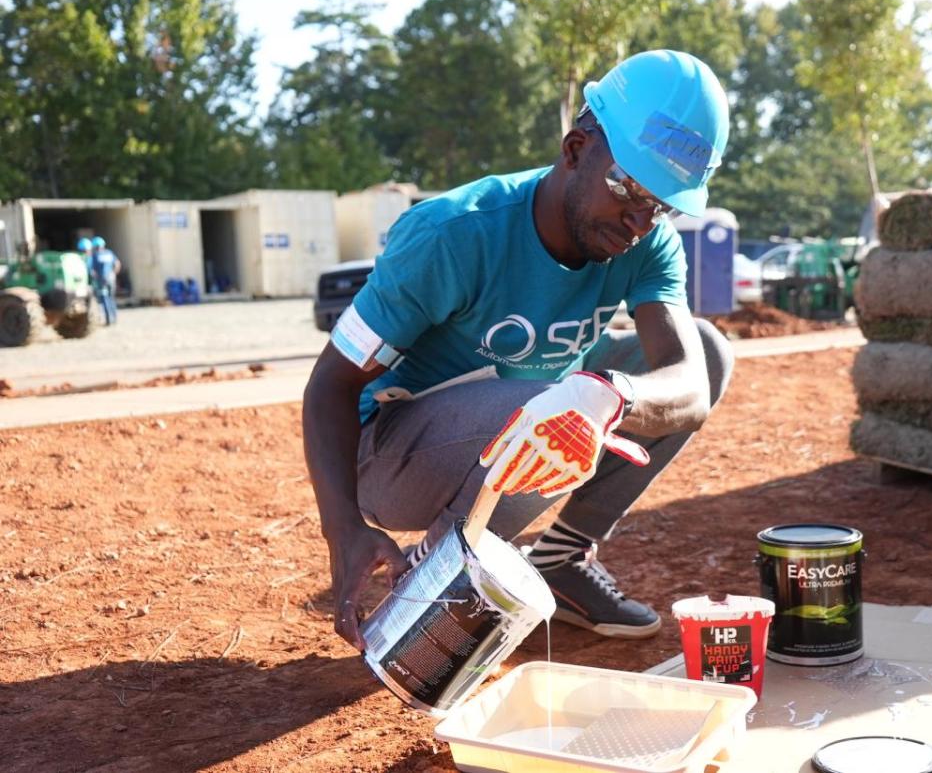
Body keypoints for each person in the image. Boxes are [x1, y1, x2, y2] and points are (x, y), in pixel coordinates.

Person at [304, 49, 734, 651]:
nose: (639, 219)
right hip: (394, 452)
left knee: (708, 353)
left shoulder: (647, 243)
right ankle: (436, 588)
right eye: (628, 186)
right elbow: (331, 385)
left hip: (535, 412)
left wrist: (610, 393)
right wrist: (342, 527)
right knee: (556, 410)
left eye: (660, 203)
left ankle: (560, 560)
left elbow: (689, 383)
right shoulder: (452, 234)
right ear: (576, 149)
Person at [90, 237, 121, 325]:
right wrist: (114, 274)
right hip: (111, 279)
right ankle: (114, 318)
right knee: (111, 298)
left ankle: (108, 320)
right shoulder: (109, 253)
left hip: (102, 280)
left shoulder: (95, 255)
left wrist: (95, 279)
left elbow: (93, 271)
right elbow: (117, 264)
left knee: (104, 298)